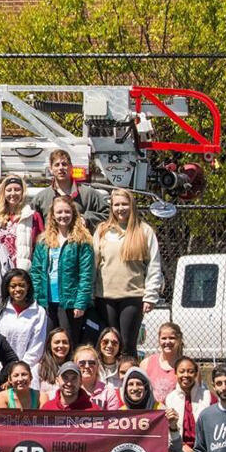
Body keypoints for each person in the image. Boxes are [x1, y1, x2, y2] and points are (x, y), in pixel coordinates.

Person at [93, 189, 162, 357]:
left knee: (126, 344)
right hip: (105, 297)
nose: (120, 208)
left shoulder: (144, 231)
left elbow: (154, 264)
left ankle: (129, 379)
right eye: (116, 205)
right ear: (111, 207)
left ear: (132, 206)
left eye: (124, 204)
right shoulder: (102, 230)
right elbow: (93, 264)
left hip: (133, 297)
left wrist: (150, 295)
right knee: (108, 343)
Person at [31, 196, 94, 346]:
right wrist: (38, 300)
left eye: (67, 212)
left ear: (73, 213)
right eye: (59, 212)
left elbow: (86, 274)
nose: (63, 216)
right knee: (48, 344)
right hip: (48, 301)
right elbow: (36, 272)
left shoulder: (82, 240)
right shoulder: (44, 240)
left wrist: (80, 303)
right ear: (52, 215)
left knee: (68, 343)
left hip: (70, 302)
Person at [30, 149, 109, 226]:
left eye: (64, 164)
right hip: (51, 239)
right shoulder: (41, 198)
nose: (61, 168)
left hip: (81, 239)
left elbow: (109, 214)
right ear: (51, 169)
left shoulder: (89, 195)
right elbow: (32, 224)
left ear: (71, 167)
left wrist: (87, 218)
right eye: (57, 165)